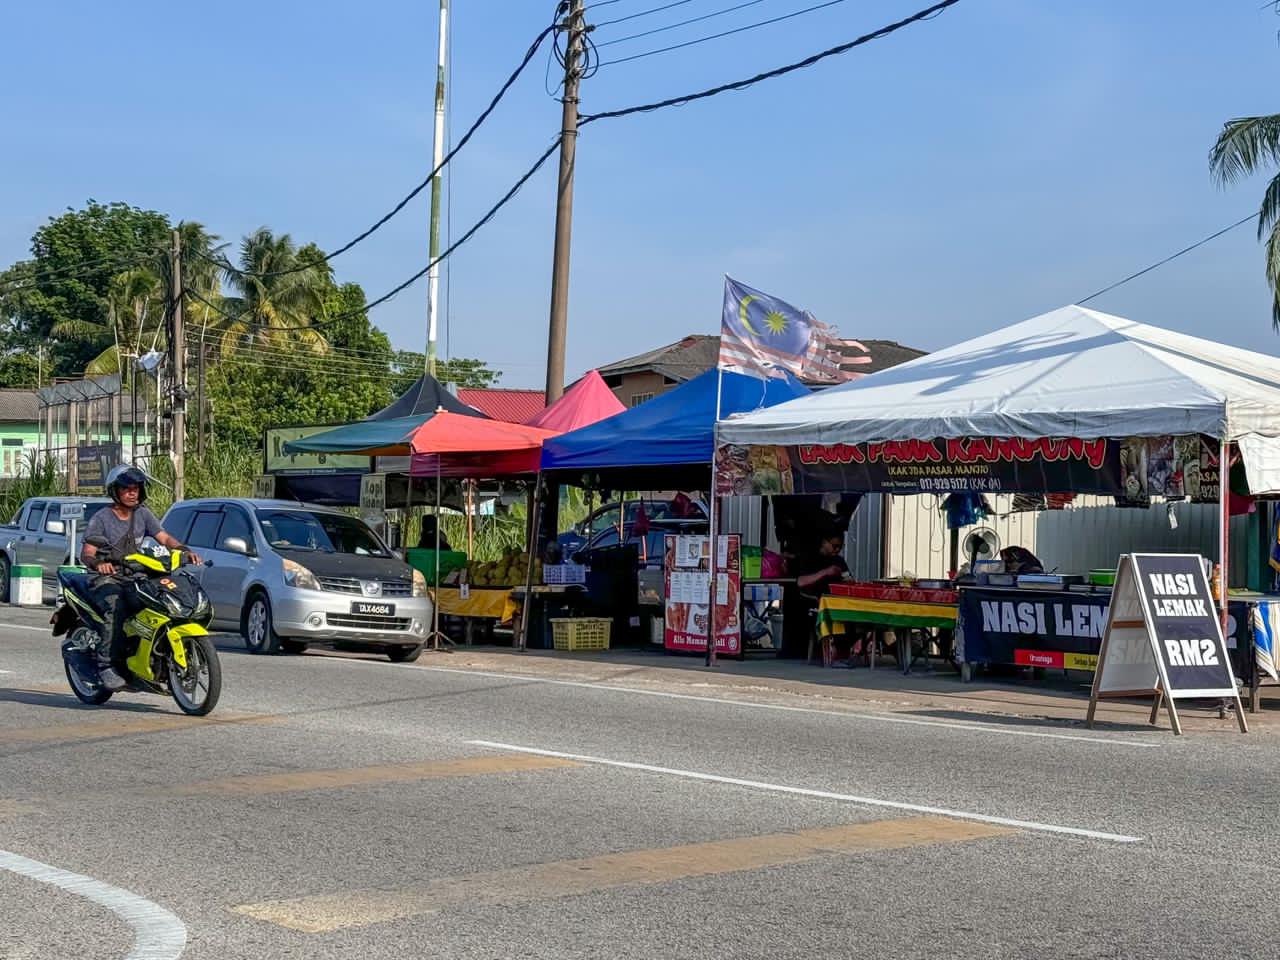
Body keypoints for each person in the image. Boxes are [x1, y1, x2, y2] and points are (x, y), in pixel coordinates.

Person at [80, 465, 196, 690]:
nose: (132, 493)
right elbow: (87, 552)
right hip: (107, 578)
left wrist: (183, 550)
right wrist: (98, 564)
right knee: (116, 607)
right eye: (126, 489)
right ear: (115, 491)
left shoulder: (143, 514)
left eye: (136, 488)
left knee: (160, 601)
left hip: (135, 574)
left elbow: (164, 538)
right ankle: (106, 664)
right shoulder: (101, 518)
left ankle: (151, 655)